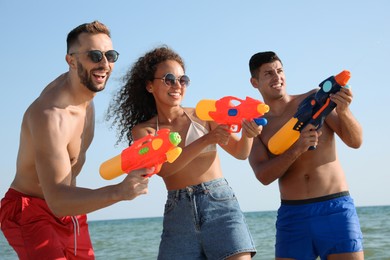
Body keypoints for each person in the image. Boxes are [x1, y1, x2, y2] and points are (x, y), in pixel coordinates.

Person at [0, 21, 150, 260]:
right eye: (94, 55)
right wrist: (119, 191)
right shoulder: (50, 115)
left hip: (70, 207)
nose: (104, 64)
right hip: (31, 209)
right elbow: (57, 200)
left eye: (110, 55)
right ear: (71, 61)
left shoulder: (86, 91)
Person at [107, 45, 263, 260]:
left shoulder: (203, 114)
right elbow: (164, 170)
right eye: (169, 79)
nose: (177, 85)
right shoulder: (144, 130)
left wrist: (249, 133)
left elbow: (240, 153)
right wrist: (207, 139)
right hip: (178, 213)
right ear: (150, 85)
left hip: (220, 204)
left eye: (183, 80)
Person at [248, 51, 364, 259]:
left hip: (334, 208)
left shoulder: (316, 99)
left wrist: (345, 112)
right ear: (254, 82)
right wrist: (296, 149)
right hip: (293, 215)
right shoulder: (257, 125)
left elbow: (355, 141)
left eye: (280, 70)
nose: (277, 77)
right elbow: (263, 176)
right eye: (268, 74)